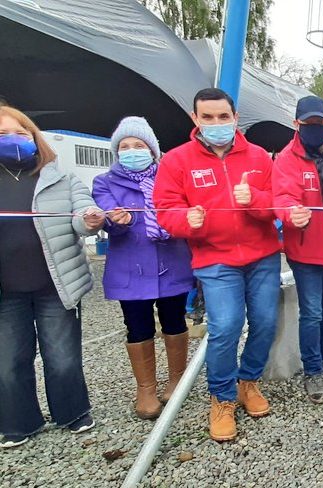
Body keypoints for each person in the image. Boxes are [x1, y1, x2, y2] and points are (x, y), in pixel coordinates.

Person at [154, 88, 281, 442]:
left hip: (263, 256)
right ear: (195, 120)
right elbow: (166, 210)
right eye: (207, 117)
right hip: (215, 258)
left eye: (223, 117)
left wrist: (253, 199)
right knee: (225, 327)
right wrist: (187, 220)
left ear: (235, 117)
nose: (216, 123)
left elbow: (276, 203)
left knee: (266, 322)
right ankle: (222, 397)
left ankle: (248, 381)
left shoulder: (259, 157)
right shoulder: (176, 161)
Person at [0, 106, 105, 448]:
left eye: (19, 133)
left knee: (62, 356)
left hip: (55, 285)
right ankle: (19, 421)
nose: (13, 141)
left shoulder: (60, 177)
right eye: (2, 136)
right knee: (9, 360)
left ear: (34, 137)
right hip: (6, 291)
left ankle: (73, 412)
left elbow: (80, 212)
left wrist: (90, 219)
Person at [92, 117, 194, 420]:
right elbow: (106, 216)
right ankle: (146, 388)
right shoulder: (104, 182)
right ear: (116, 152)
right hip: (130, 267)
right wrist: (115, 222)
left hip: (172, 260)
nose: (132, 151)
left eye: (139, 145)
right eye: (124, 147)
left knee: (174, 319)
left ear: (152, 149)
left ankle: (176, 379)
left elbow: (183, 209)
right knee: (137, 325)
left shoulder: (171, 175)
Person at [273, 95, 323, 405]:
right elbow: (282, 196)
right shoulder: (287, 158)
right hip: (306, 246)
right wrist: (292, 213)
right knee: (313, 312)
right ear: (297, 124)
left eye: (322, 123)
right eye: (310, 124)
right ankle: (313, 370)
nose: (317, 128)